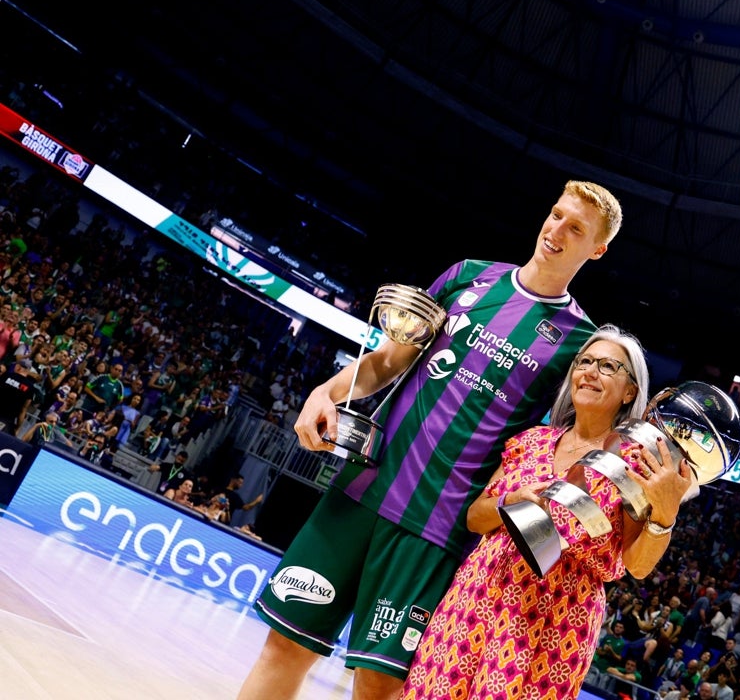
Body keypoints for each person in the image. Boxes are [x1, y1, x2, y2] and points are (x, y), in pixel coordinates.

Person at [237, 180, 624, 700]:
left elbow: (566, 439)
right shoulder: (468, 277)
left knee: (377, 687)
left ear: (596, 249)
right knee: (284, 648)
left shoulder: (578, 343)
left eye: (575, 228)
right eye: (555, 215)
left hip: (434, 531)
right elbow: (390, 360)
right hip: (359, 493)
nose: (555, 230)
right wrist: (327, 392)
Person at [401, 324, 694, 699]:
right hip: (477, 594)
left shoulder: (636, 462)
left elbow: (636, 565)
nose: (589, 371)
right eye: (584, 361)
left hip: (556, 620)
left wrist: (665, 516)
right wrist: (512, 500)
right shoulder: (530, 441)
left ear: (630, 391)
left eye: (607, 366)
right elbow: (476, 517)